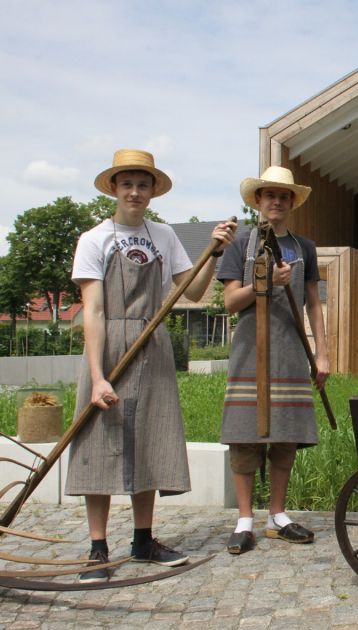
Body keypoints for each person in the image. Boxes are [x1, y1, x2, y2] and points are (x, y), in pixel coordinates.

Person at [68, 149, 236, 582]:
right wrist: (97, 375)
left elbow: (195, 292)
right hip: (108, 343)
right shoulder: (95, 239)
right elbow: (93, 309)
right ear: (114, 188)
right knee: (98, 443)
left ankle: (143, 541)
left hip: (154, 341)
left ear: (152, 192)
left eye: (143, 185)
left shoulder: (163, 236)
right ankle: (97, 550)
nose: (136, 192)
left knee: (149, 439)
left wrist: (215, 252)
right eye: (128, 184)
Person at [218, 166, 330, 555]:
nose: (277, 202)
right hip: (250, 350)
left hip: (290, 350)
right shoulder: (240, 245)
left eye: (284, 196)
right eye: (270, 196)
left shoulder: (305, 248)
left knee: (285, 435)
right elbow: (231, 302)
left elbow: (314, 304)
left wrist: (322, 353)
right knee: (245, 436)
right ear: (258, 201)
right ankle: (245, 520)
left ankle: (277, 516)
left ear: (292, 203)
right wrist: (264, 285)